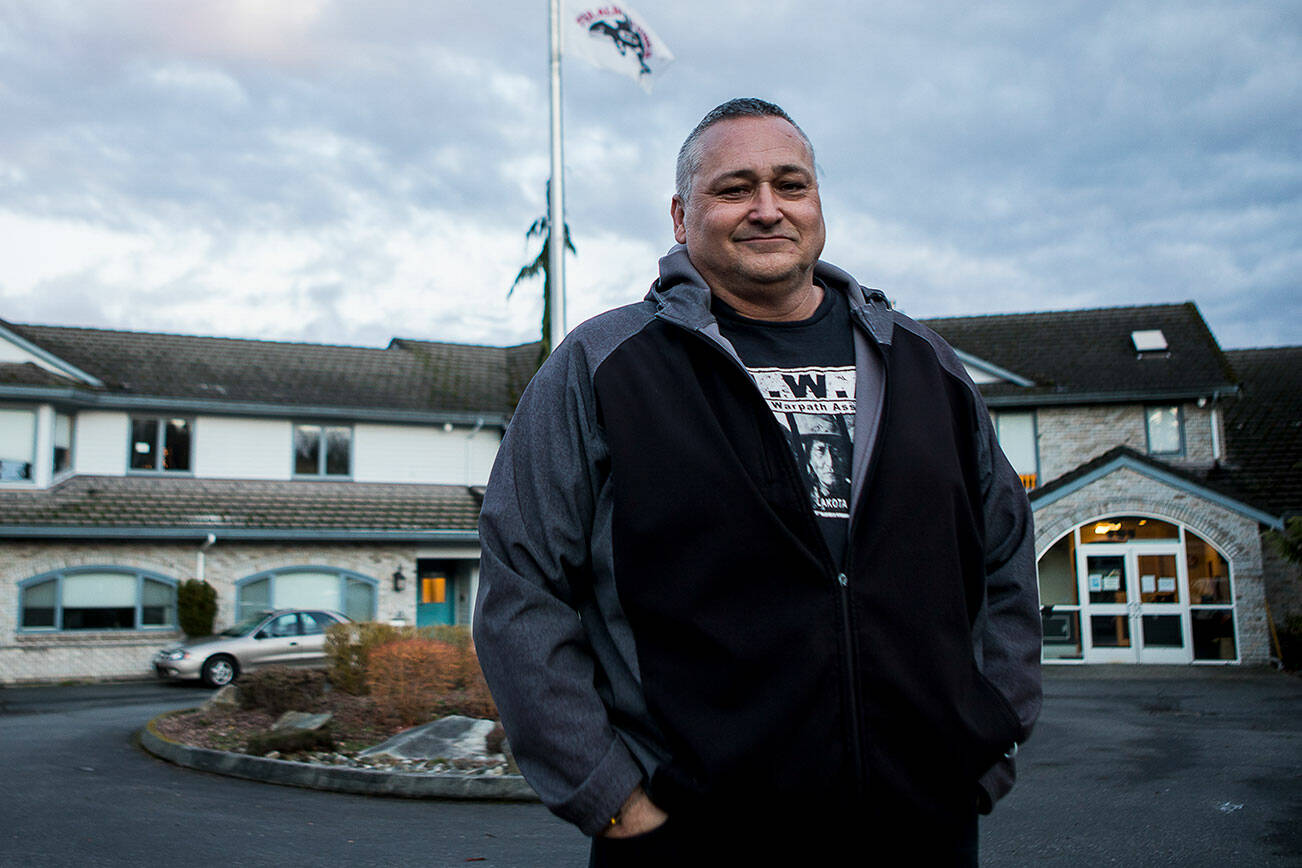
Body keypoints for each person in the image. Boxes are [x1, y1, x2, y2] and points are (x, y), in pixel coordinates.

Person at [474, 98, 1042, 865]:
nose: (768, 209)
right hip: (691, 832)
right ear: (682, 216)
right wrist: (608, 796)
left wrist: (990, 738)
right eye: (735, 188)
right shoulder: (603, 367)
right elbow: (522, 585)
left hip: (923, 824)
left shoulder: (925, 364)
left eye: (791, 185)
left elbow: (1004, 555)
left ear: (818, 205)